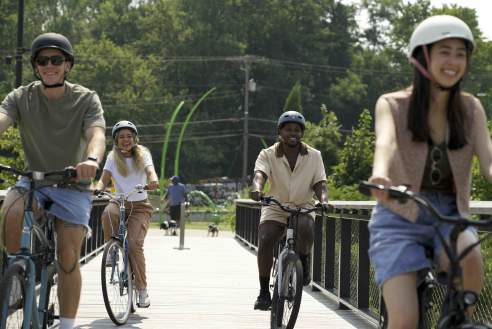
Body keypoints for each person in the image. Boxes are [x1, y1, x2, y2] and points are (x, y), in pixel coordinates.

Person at [367, 15, 489, 329]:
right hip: (399, 214)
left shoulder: (471, 108)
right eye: (444, 51)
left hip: (450, 215)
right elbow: (386, 143)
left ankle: (460, 320)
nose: (453, 61)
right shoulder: (392, 104)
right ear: (423, 56)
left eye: (461, 53)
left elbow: (488, 160)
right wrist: (380, 175)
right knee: (405, 320)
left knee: (471, 257)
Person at [0, 32, 106, 329]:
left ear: (67, 65)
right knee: (9, 208)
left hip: (73, 184)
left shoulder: (86, 98)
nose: (49, 66)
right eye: (42, 61)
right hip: (33, 182)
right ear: (35, 66)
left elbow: (96, 134)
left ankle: (68, 324)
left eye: (56, 60)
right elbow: (2, 117)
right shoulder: (21, 97)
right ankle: (16, 275)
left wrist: (92, 161)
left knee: (68, 257)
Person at [250, 110, 329, 310]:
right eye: (287, 129)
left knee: (306, 228)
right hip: (276, 206)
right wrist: (257, 189)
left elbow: (320, 182)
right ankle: (263, 293)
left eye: (296, 130)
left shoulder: (314, 155)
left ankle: (303, 258)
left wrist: (324, 200)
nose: (292, 133)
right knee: (266, 238)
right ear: (280, 132)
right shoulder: (267, 154)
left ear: (301, 133)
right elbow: (260, 174)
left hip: (303, 205)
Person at [94, 120, 159, 308]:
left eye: (129, 136)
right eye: (121, 136)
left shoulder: (143, 153)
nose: (125, 140)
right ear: (115, 140)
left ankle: (142, 289)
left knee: (134, 245)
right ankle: (111, 250)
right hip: (119, 201)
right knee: (107, 214)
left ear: (134, 138)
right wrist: (97, 188)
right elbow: (103, 180)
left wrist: (153, 180)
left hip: (140, 206)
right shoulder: (112, 157)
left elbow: (150, 171)